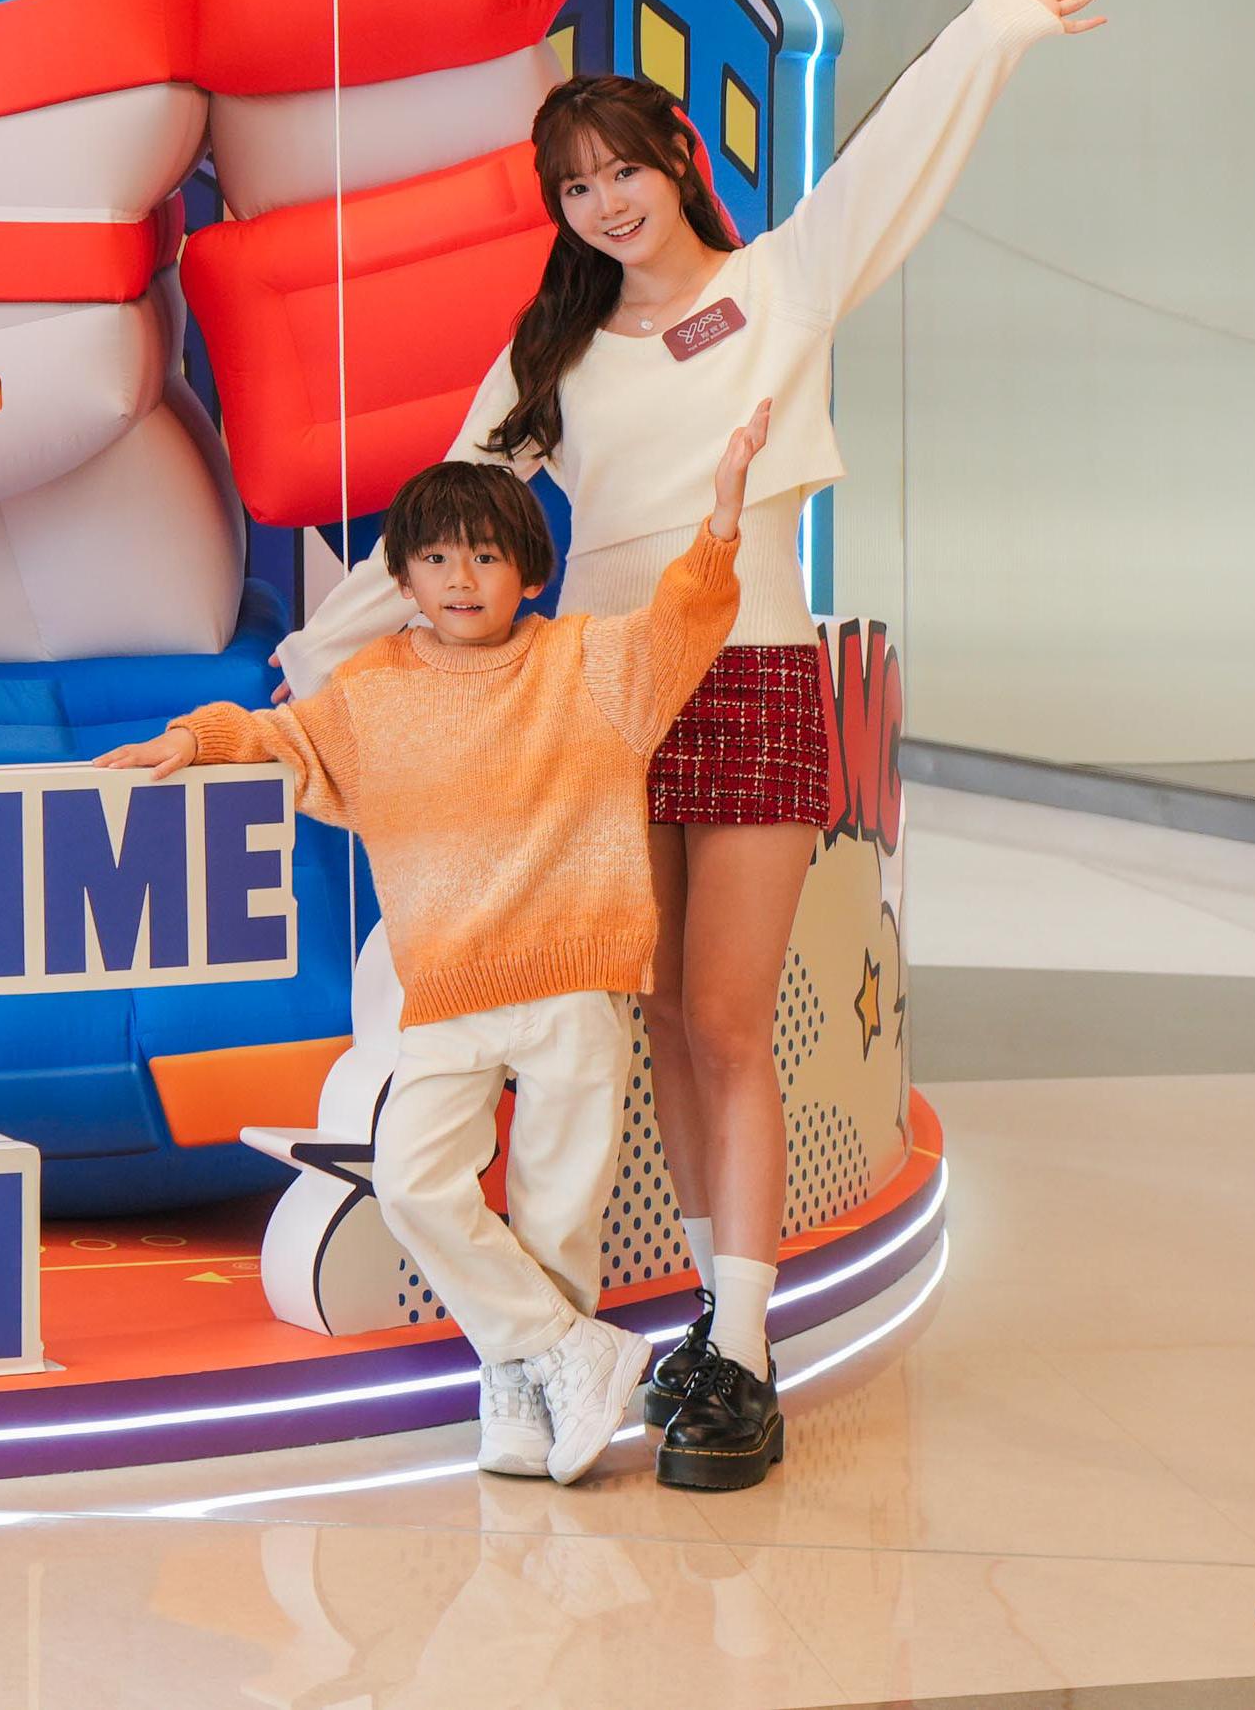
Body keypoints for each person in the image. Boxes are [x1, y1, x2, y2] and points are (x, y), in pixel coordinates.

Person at [282, 0, 1112, 1489]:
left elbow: (890, 162)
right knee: (649, 1018)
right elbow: (444, 519)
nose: (603, 201)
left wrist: (993, 24)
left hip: (750, 669)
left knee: (725, 1018)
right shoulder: (551, 351)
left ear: (676, 155)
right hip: (601, 699)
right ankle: (662, 1331)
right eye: (574, 184)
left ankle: (741, 1348)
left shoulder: (780, 281)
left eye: (621, 167)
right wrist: (311, 657)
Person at [108, 409, 770, 1483]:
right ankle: (564, 1350)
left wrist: (724, 521)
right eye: (436, 557)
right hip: (448, 993)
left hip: (574, 986)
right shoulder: (373, 693)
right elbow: (278, 737)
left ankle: (522, 1389)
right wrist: (192, 737)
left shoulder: (589, 665)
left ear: (527, 571)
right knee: (415, 1183)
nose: (462, 577)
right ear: (405, 577)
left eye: (487, 555)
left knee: (558, 1215)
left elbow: (681, 623)